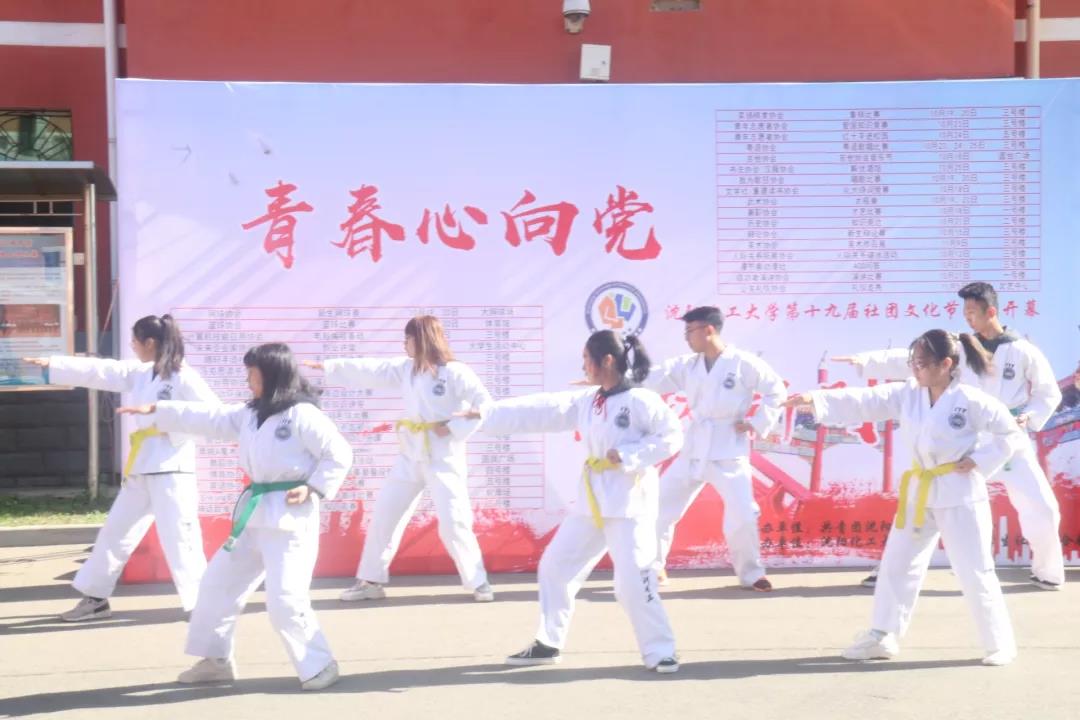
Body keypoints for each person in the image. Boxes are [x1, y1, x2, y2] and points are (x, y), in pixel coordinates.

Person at [117, 343, 353, 691]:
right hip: (253, 517)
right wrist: (159, 409)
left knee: (285, 600)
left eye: (252, 374)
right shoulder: (250, 414)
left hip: (290, 519)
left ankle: (320, 664)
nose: (248, 381)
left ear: (272, 374)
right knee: (215, 586)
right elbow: (210, 419)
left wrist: (314, 487)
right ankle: (216, 661)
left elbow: (339, 454)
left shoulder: (303, 415)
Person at [785, 329, 1027, 666]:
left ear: (946, 364)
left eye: (922, 363)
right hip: (919, 492)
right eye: (913, 362)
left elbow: (1010, 433)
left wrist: (980, 459)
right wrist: (815, 399)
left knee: (974, 569)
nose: (915, 369)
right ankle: (883, 635)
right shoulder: (908, 394)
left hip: (959, 491)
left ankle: (999, 643)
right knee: (897, 564)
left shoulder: (972, 400)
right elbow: (866, 401)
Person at [470, 330, 683, 672]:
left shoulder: (642, 400)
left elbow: (672, 437)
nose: (583, 366)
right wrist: (486, 414)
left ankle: (661, 650)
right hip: (592, 503)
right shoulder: (589, 401)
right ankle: (549, 641)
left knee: (632, 582)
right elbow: (544, 408)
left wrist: (629, 455)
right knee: (556, 567)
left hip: (630, 503)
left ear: (606, 361)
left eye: (586, 358)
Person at [834, 282, 1064, 591]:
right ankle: (890, 571)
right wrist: (867, 361)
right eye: (965, 312)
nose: (967, 317)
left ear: (991, 312)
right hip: (964, 438)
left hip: (1007, 439)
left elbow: (1048, 393)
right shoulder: (960, 347)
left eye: (972, 312)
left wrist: (1029, 416)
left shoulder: (1024, 350)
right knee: (926, 505)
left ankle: (1048, 571)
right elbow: (917, 359)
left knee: (1042, 506)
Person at [25, 314, 218, 621]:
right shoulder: (141, 373)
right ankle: (95, 599)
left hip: (173, 468)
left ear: (150, 343)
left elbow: (213, 416)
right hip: (142, 467)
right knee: (115, 533)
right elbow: (102, 370)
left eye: (135, 340)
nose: (132, 345)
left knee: (182, 539)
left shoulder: (184, 376)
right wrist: (54, 364)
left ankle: (203, 607)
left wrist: (171, 426)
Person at [305, 315, 494, 602]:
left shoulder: (456, 372)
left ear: (422, 339)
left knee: (454, 521)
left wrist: (454, 427)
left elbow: (485, 405)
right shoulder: (406, 369)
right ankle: (370, 581)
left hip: (444, 457)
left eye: (407, 339)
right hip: (410, 455)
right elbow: (372, 369)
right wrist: (329, 367)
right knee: (385, 516)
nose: (404, 345)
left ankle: (478, 582)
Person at [643, 306, 786, 591]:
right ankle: (653, 568)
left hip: (728, 448)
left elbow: (776, 390)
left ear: (708, 330)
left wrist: (757, 422)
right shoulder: (687, 365)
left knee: (743, 514)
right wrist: (614, 381)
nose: (686, 338)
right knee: (660, 507)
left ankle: (751, 573)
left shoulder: (743, 363)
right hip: (693, 448)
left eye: (690, 331)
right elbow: (652, 377)